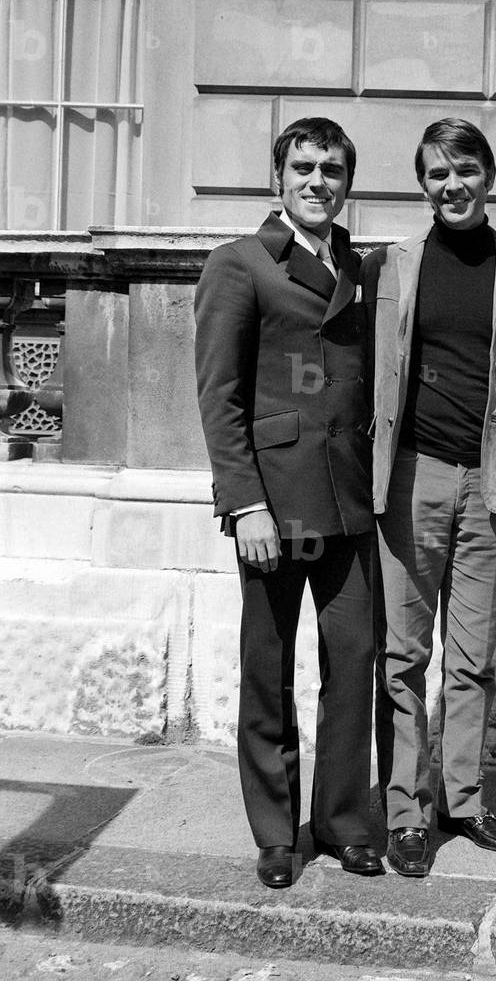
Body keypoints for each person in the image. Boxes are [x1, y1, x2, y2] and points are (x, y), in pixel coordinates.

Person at [362, 118, 496, 877]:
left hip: (491, 484)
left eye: (466, 170)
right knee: (405, 656)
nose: (454, 186)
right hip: (411, 477)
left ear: (488, 175)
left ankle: (465, 800)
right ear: (423, 184)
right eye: (439, 174)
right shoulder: (392, 266)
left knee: (472, 659)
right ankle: (406, 811)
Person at [194, 117, 381, 888]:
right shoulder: (240, 265)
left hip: (348, 501)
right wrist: (245, 507)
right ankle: (276, 830)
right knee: (267, 669)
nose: (317, 181)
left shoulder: (361, 267)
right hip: (274, 506)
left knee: (354, 659)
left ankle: (338, 820)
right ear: (278, 179)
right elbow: (220, 397)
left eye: (332, 170)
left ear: (346, 184)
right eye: (302, 167)